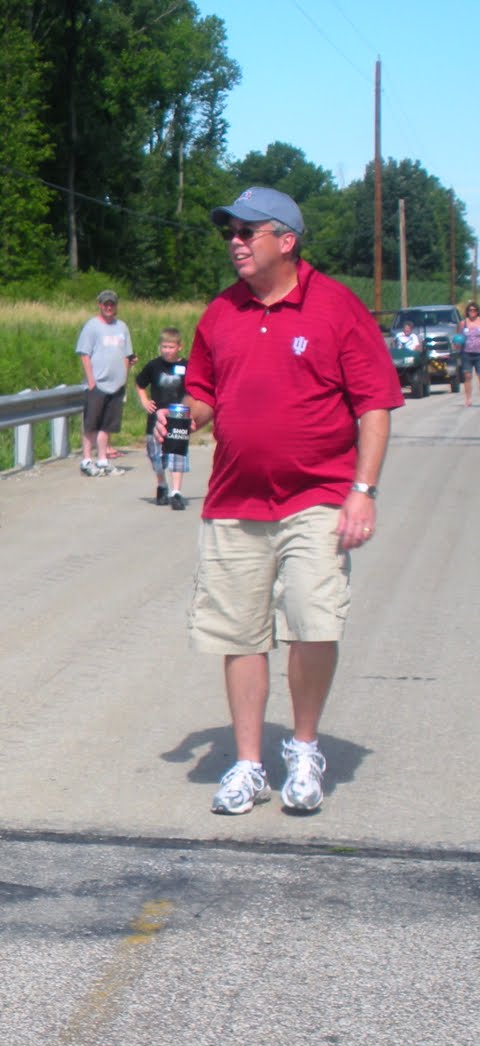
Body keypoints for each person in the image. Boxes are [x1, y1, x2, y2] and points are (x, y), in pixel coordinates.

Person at [163, 187, 402, 816]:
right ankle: (247, 765)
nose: (235, 242)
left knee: (312, 623)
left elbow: (373, 406)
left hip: (318, 496)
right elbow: (207, 396)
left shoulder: (337, 309)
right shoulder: (220, 313)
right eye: (229, 233)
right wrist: (182, 415)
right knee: (239, 634)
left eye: (247, 231)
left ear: (286, 240)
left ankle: (301, 748)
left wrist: (363, 491)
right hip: (236, 499)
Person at [75, 290, 135, 476]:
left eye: (112, 304)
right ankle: (86, 459)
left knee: (107, 425)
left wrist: (124, 379)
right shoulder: (92, 326)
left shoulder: (122, 327)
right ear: (99, 305)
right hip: (98, 384)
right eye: (105, 304)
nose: (109, 307)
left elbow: (127, 355)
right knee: (91, 423)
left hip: (116, 384)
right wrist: (91, 382)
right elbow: (84, 354)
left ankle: (103, 459)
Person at [134, 328, 190, 510]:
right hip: (156, 418)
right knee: (156, 456)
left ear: (179, 347)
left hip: (179, 415)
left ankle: (176, 492)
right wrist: (144, 401)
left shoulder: (187, 367)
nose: (167, 350)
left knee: (177, 453)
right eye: (164, 347)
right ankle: (162, 485)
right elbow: (140, 383)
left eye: (171, 347)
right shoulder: (153, 366)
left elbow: (193, 390)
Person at [459, 301, 480, 406]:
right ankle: (468, 399)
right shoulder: (463, 323)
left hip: (479, 353)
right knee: (467, 376)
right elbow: (459, 337)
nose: (472, 312)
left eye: (474, 310)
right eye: (470, 310)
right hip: (466, 353)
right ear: (467, 311)